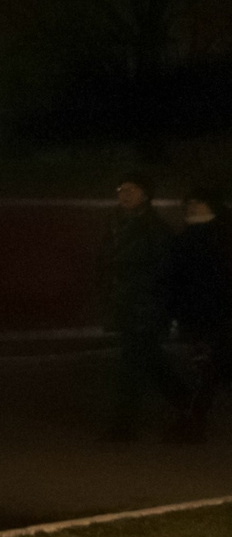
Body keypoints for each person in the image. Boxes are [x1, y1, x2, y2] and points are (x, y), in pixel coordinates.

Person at [98, 173, 186, 442]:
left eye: (131, 190)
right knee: (149, 361)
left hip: (144, 306)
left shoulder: (152, 229)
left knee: (132, 365)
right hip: (131, 305)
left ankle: (123, 426)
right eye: (121, 189)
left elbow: (162, 271)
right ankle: (187, 403)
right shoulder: (119, 224)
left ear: (145, 195)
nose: (124, 194)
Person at [166, 185, 232, 439]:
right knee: (210, 369)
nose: (193, 206)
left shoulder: (217, 235)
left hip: (215, 314)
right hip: (197, 314)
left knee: (205, 369)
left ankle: (192, 424)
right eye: (190, 202)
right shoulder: (188, 235)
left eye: (199, 202)